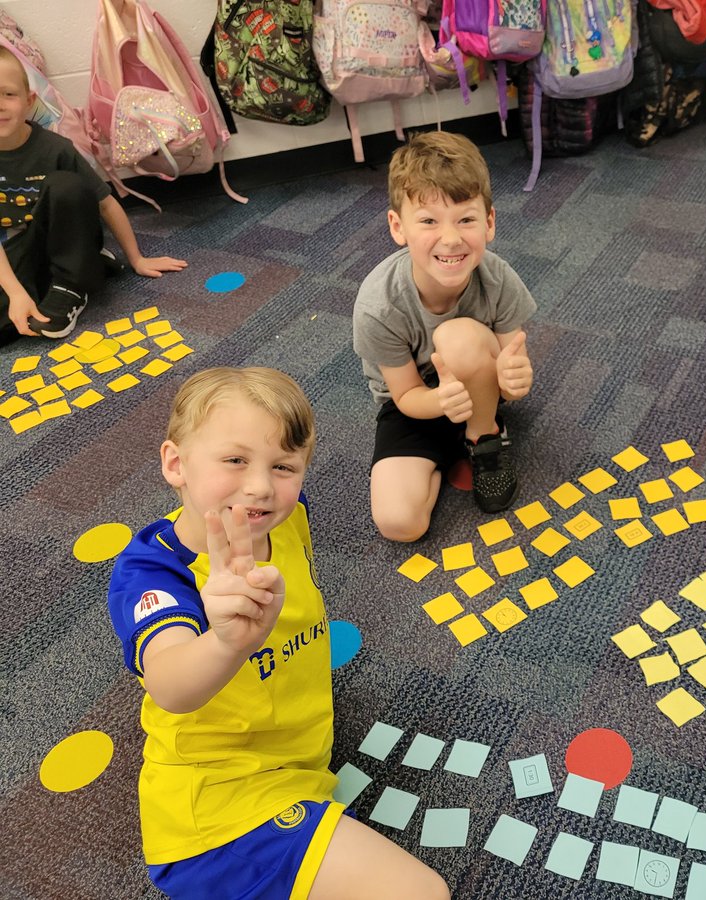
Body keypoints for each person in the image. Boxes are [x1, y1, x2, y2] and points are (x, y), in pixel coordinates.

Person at [107, 367, 449, 900]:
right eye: (235, 460)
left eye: (284, 466)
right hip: (219, 814)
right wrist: (225, 643)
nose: (261, 487)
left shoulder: (285, 518)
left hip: (299, 758)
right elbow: (169, 684)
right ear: (176, 464)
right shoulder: (154, 573)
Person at [353, 131, 536, 536]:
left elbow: (511, 361)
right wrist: (439, 401)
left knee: (458, 339)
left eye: (466, 219)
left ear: (489, 222)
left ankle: (484, 436)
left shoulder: (498, 277)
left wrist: (515, 379)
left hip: (478, 388)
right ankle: (445, 450)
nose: (451, 239)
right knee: (399, 524)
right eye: (429, 221)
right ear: (398, 227)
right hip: (414, 404)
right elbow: (404, 395)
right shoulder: (378, 305)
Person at [0, 47, 186, 345]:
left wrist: (137, 259)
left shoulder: (56, 148)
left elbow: (106, 204)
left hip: (60, 234)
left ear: (29, 101)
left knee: (66, 185)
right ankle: (92, 264)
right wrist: (15, 293)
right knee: (8, 325)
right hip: (17, 247)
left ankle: (72, 282)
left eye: (8, 94)